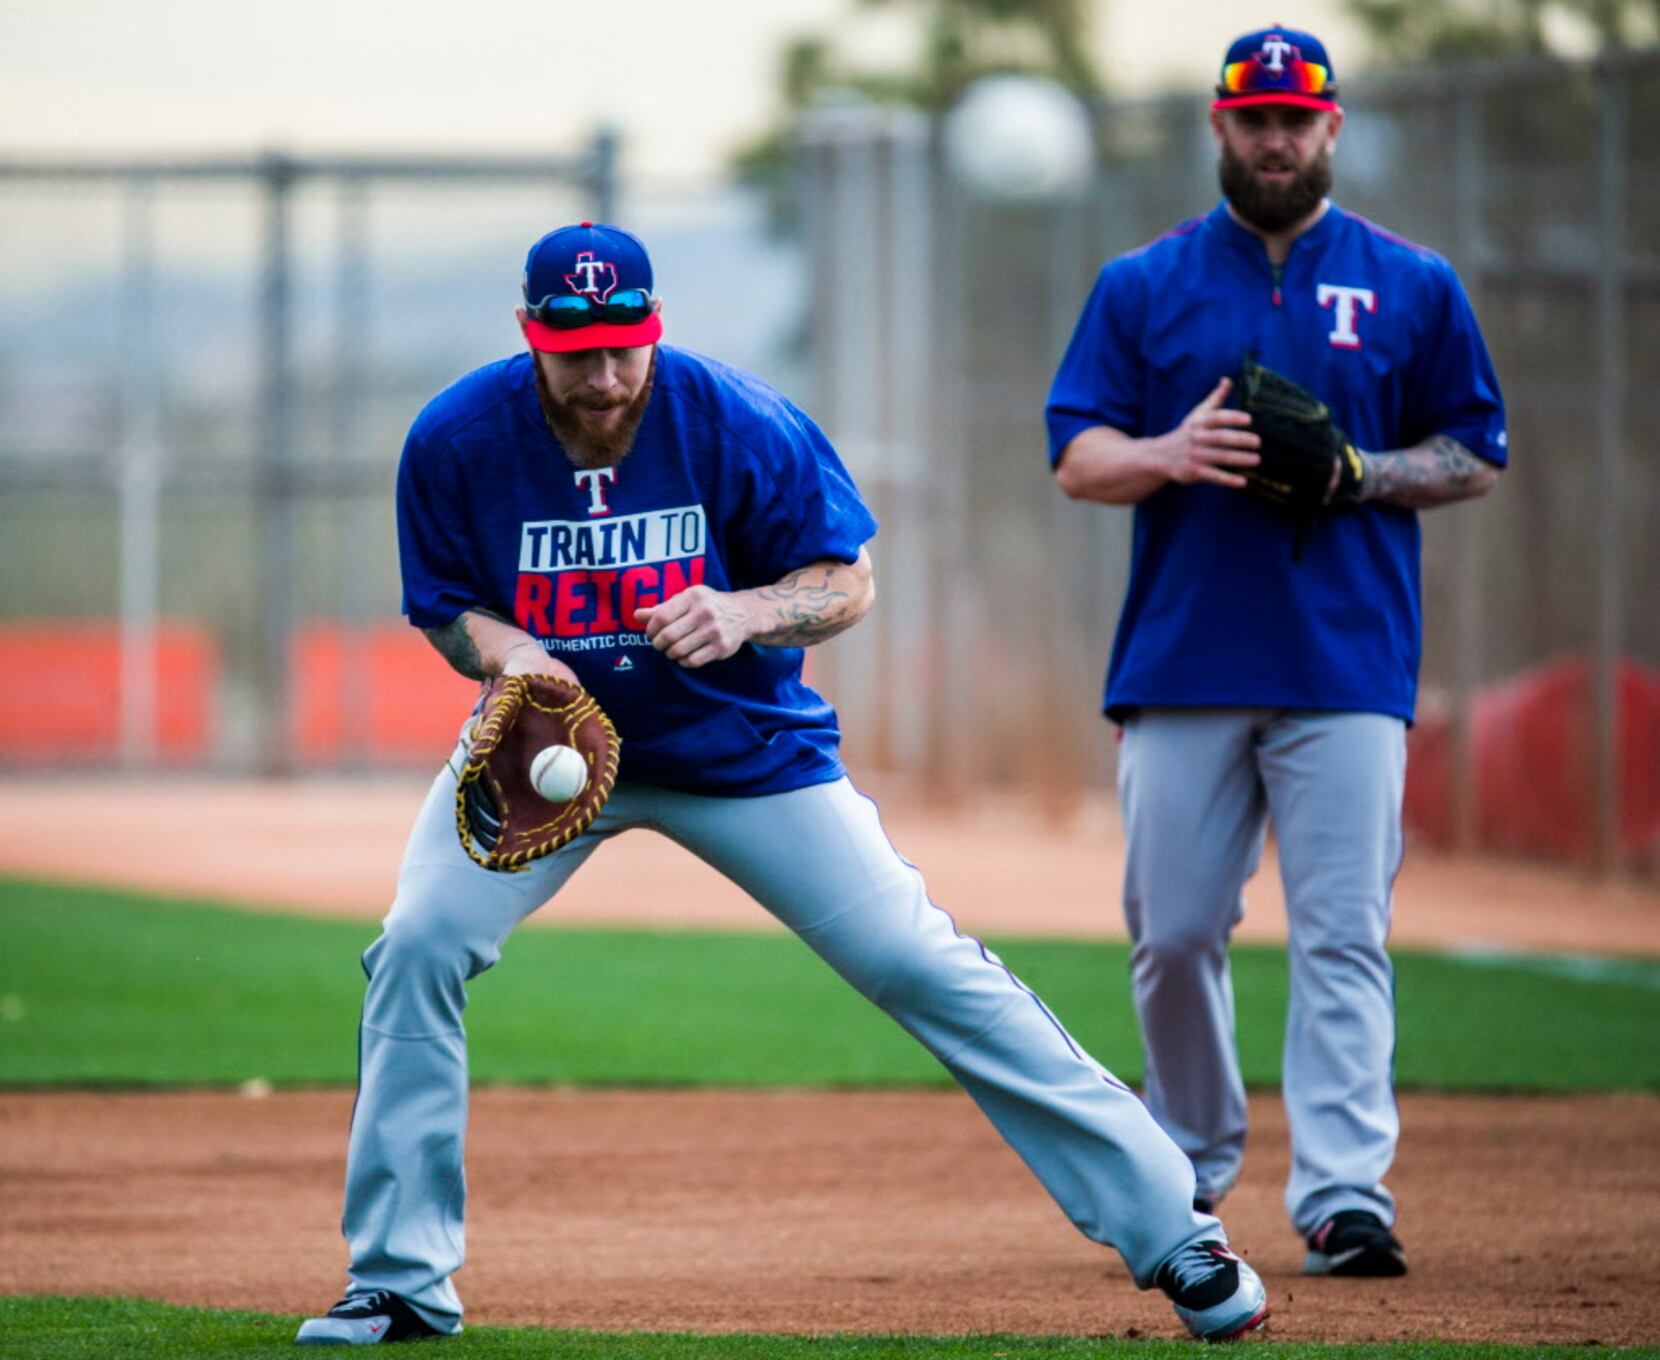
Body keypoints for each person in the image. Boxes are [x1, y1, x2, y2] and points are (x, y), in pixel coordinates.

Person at [296, 222, 1268, 1345]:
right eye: (577, 350)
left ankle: (1174, 1229)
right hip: (548, 762)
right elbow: (446, 607)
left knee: (918, 959)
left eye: (625, 346)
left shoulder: (735, 419)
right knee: (417, 944)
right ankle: (399, 1279)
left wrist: (746, 610)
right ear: (532, 337)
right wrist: (511, 654)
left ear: (654, 330)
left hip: (745, 751)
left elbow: (847, 580)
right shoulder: (457, 439)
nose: (605, 374)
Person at [1045, 26, 1506, 1278]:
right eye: (1253, 117)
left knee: (1343, 931)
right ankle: (1186, 1162)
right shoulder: (1141, 284)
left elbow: (1474, 451)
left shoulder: (1413, 284)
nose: (1274, 137)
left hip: (1347, 664)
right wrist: (1168, 456)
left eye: (1296, 118)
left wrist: (1362, 470)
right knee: (1174, 927)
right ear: (1218, 124)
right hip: (1183, 658)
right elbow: (1077, 454)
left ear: (1332, 128)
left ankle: (1345, 1192)